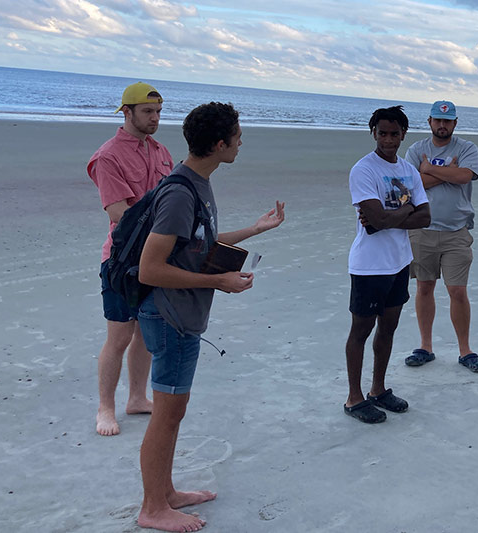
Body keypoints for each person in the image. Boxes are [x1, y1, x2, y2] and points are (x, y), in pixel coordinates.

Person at [135, 102, 285, 531]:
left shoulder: (195, 182)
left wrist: (255, 230)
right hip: (169, 316)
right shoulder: (182, 191)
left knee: (173, 411)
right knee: (167, 413)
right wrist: (219, 282)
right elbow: (151, 268)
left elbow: (199, 241)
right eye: (237, 135)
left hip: (180, 315)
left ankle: (165, 493)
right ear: (220, 144)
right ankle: (152, 508)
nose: (241, 141)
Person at [87, 81, 173, 436]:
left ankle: (137, 397)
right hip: (122, 262)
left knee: (145, 333)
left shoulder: (161, 151)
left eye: (158, 113)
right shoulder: (108, 156)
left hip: (156, 257)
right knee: (119, 336)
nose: (154, 119)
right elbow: (118, 211)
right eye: (147, 112)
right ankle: (105, 408)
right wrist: (166, 224)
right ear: (127, 112)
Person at [345, 105, 431, 424]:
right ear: (374, 133)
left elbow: (425, 216)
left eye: (395, 134)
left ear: (403, 134)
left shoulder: (408, 170)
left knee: (389, 327)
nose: (388, 139)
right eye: (382, 133)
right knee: (361, 330)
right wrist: (404, 212)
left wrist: (390, 217)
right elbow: (375, 221)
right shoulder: (364, 170)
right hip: (369, 265)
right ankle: (354, 398)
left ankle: (378, 390)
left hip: (399, 262)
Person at [401, 101, 478, 372]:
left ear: (455, 123)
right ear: (429, 122)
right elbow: (411, 184)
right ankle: (425, 346)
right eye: (437, 120)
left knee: (457, 291)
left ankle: (465, 351)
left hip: (456, 231)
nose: (442, 125)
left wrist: (429, 169)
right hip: (422, 229)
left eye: (447, 121)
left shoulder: (467, 148)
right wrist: (447, 173)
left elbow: (465, 176)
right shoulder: (416, 149)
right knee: (424, 287)